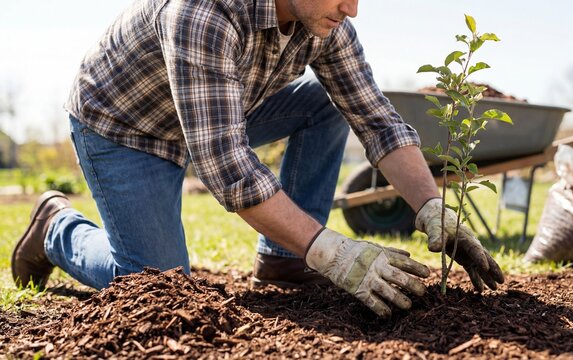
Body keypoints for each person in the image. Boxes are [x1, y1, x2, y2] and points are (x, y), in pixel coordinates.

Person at [11, 0, 503, 318]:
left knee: (329, 103)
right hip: (127, 126)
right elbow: (227, 167)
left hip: (219, 109)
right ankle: (56, 229)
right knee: (158, 288)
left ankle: (285, 258)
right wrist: (336, 253)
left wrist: (431, 207)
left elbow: (375, 118)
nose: (351, 9)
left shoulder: (325, 22)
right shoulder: (204, 12)